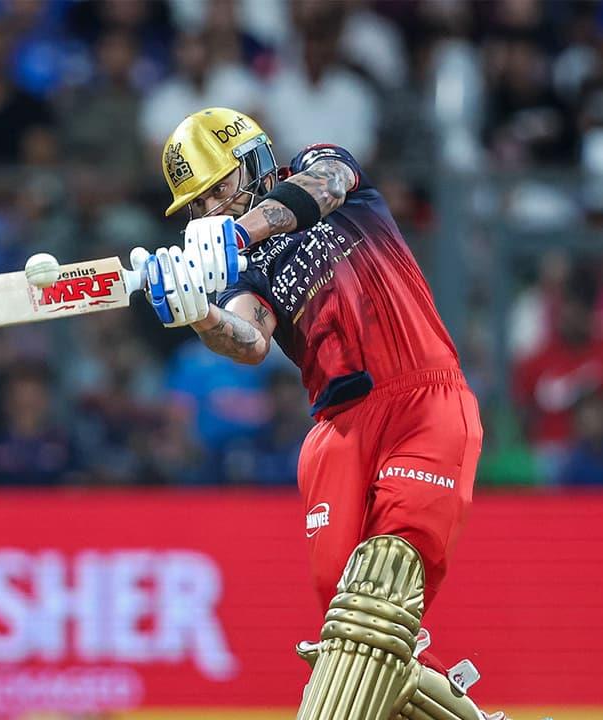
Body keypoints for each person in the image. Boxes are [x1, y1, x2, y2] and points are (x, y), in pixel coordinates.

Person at [144, 107, 501, 718]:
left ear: (254, 163)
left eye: (216, 190)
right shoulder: (246, 274)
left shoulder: (322, 169)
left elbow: (326, 186)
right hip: (338, 434)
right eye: (197, 206)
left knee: (383, 586)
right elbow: (249, 340)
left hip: (423, 402)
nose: (209, 211)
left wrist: (239, 233)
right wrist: (197, 312)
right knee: (355, 632)